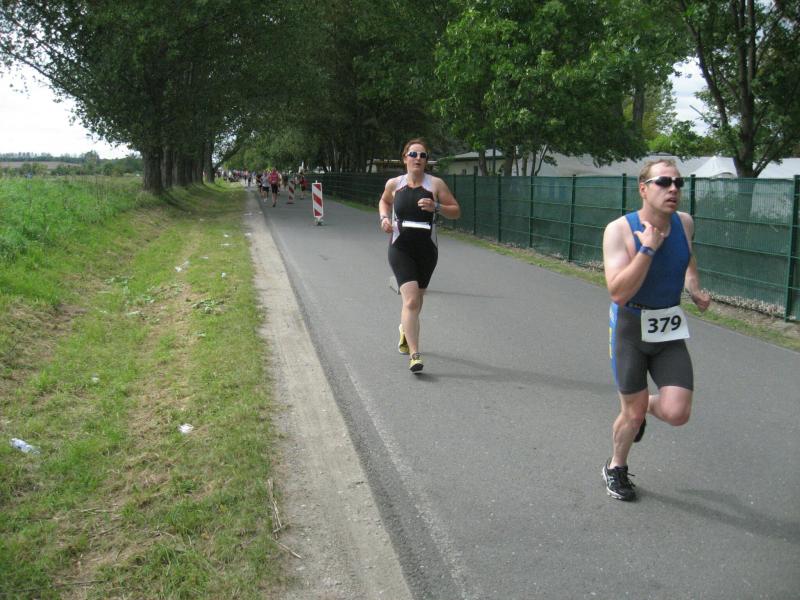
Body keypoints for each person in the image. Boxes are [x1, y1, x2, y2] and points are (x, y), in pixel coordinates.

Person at [601, 159, 711, 501]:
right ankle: (615, 466)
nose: (673, 188)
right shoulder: (619, 230)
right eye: (663, 182)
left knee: (677, 413)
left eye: (678, 183)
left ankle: (642, 405)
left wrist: (694, 286)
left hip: (668, 328)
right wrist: (647, 249)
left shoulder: (685, 223)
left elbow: (688, 257)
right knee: (631, 415)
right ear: (644, 189)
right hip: (630, 328)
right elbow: (618, 291)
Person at [378, 139, 461, 373]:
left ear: (426, 161)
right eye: (413, 154)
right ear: (405, 158)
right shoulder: (394, 184)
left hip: (427, 250)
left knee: (418, 298)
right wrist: (384, 218)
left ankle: (405, 329)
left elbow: (456, 211)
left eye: (422, 155)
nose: (418, 158)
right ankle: (415, 354)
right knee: (412, 300)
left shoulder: (436, 184)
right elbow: (384, 201)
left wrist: (437, 207)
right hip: (400, 247)